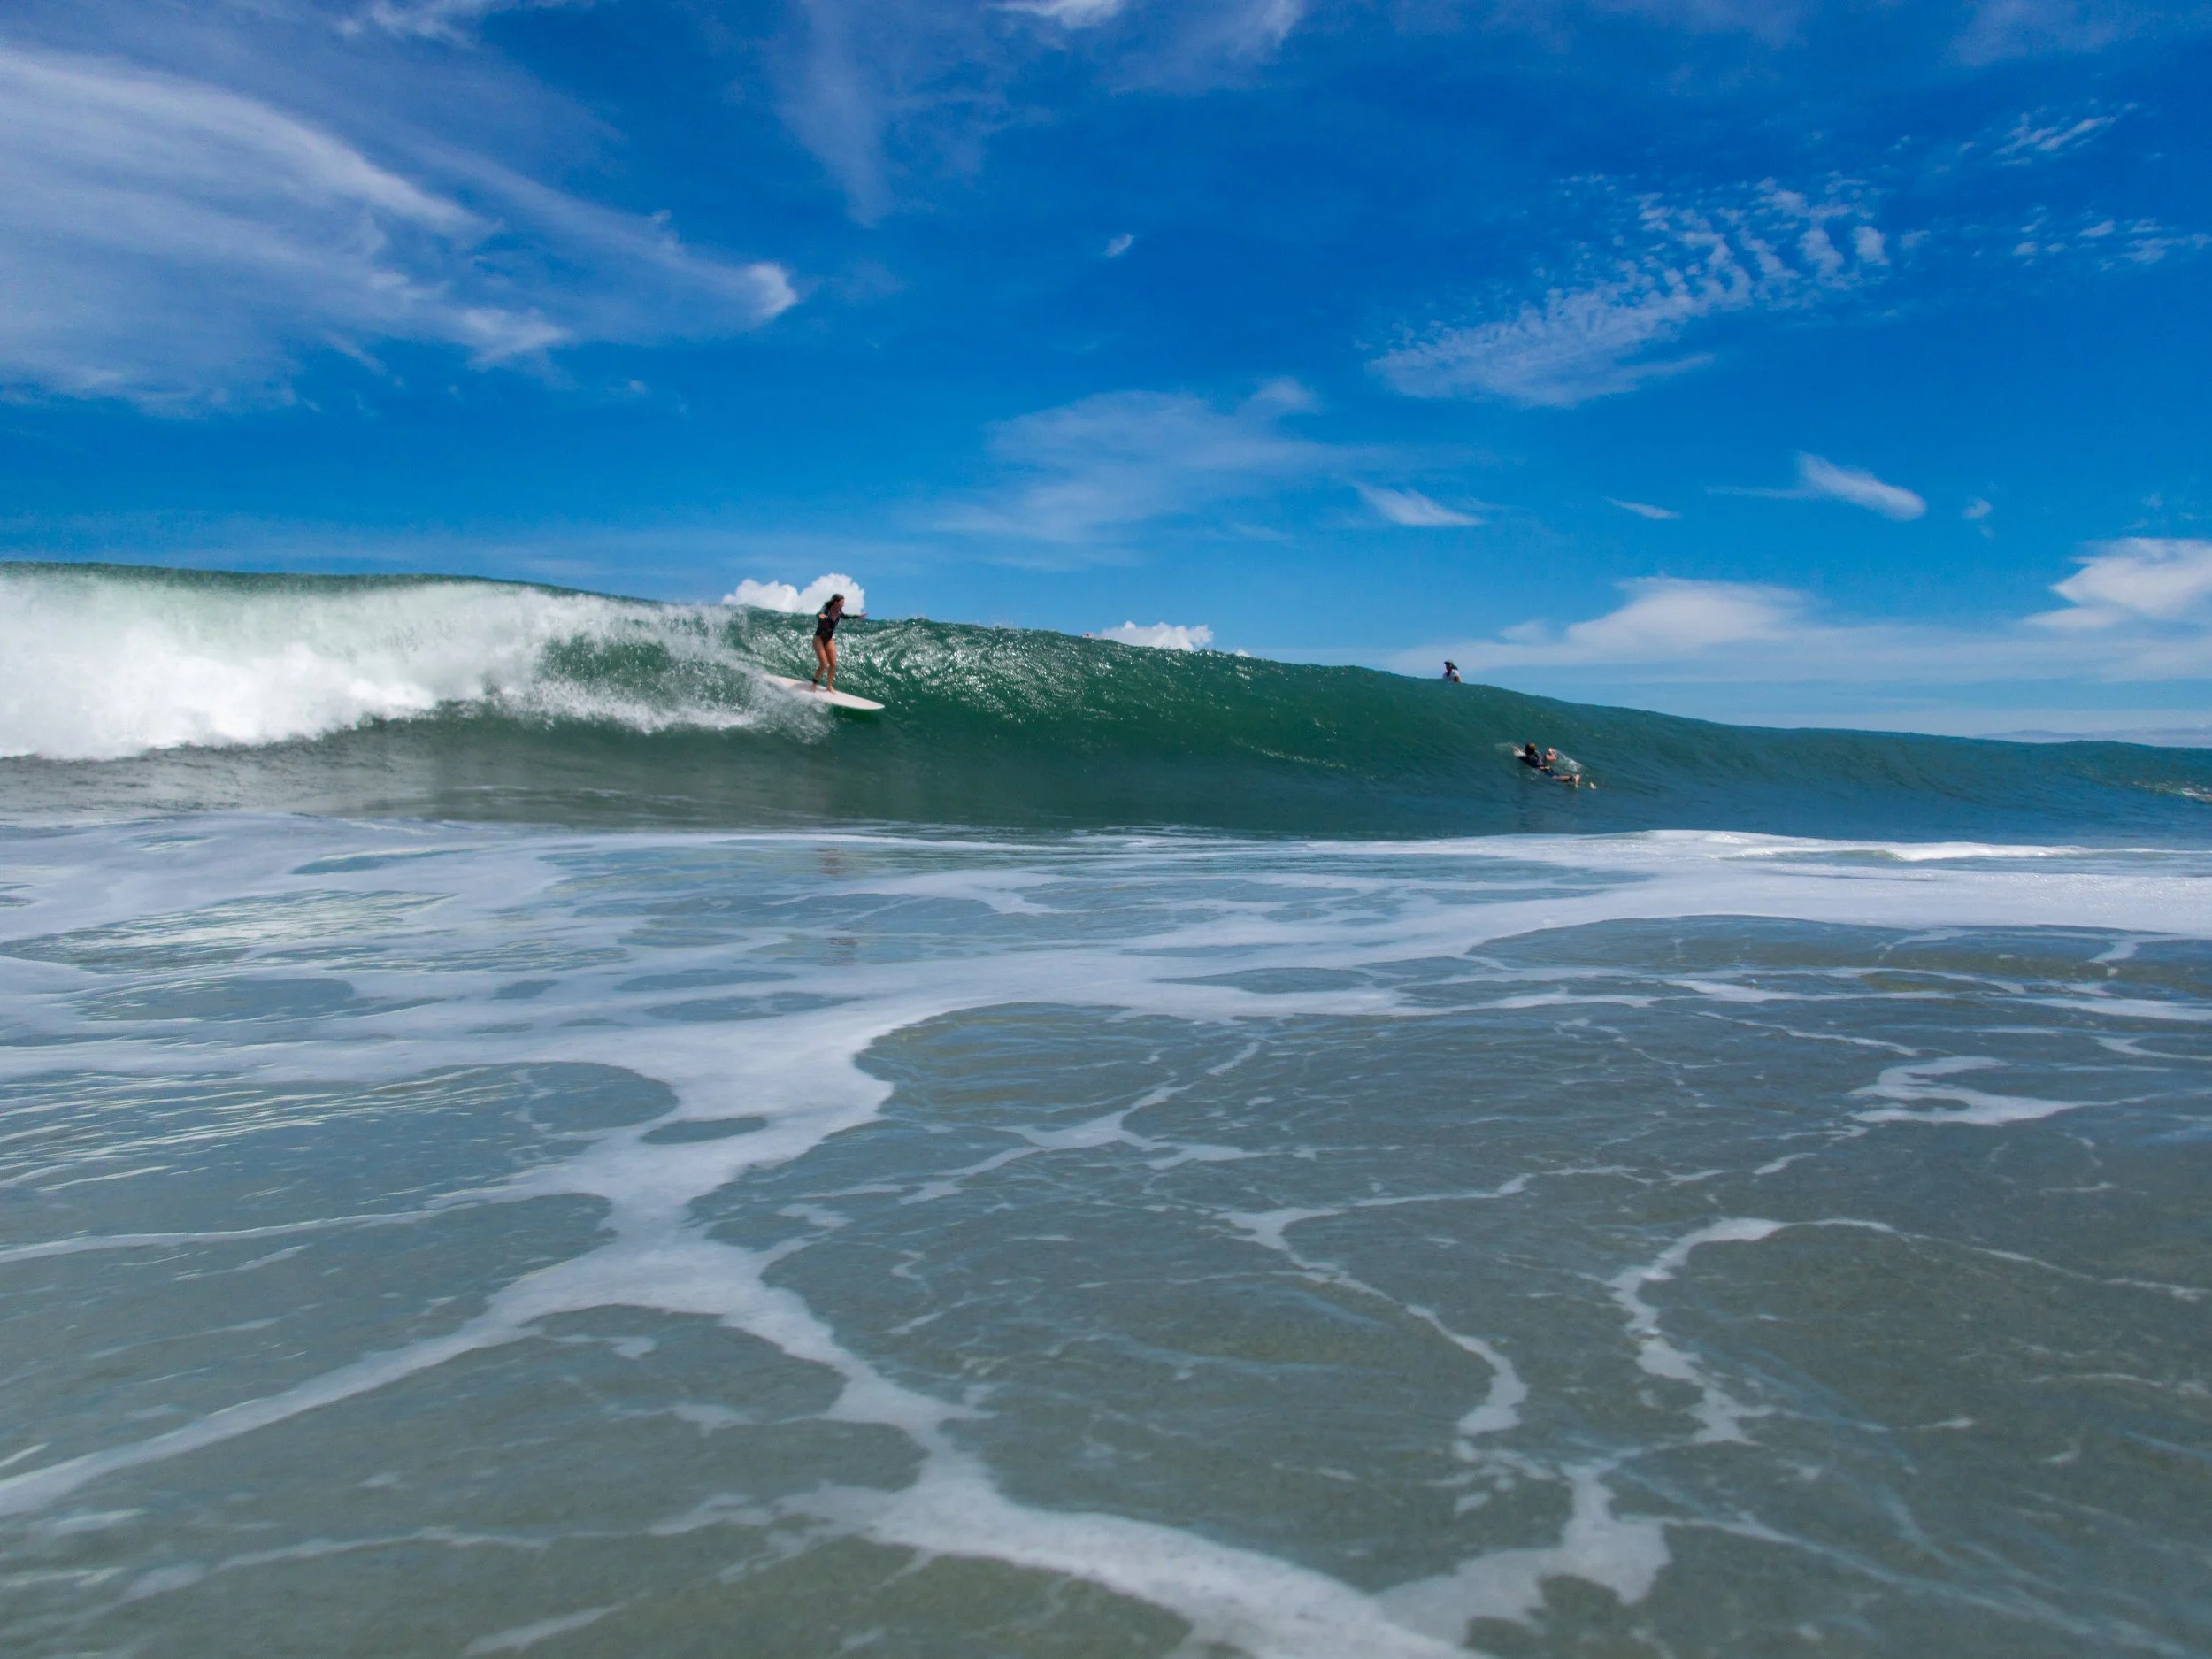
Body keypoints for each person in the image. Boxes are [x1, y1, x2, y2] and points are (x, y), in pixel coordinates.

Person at [811, 593, 865, 691]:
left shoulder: (839, 613)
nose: (843, 604)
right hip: (818, 638)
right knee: (824, 664)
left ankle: (829, 686)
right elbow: (818, 614)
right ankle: (814, 684)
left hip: (828, 639)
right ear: (835, 602)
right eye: (842, 602)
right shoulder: (826, 610)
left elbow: (847, 616)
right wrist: (821, 616)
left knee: (833, 664)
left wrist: (859, 616)